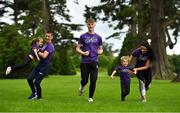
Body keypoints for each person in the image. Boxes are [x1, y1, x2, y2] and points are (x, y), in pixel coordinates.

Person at [76, 17, 103, 103]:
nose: (90, 26)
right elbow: (77, 48)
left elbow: (101, 49)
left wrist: (99, 52)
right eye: (89, 24)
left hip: (94, 60)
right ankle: (82, 86)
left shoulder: (98, 37)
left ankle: (90, 97)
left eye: (92, 24)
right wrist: (83, 53)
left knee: (94, 79)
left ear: (94, 25)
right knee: (84, 80)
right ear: (87, 25)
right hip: (84, 61)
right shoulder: (82, 36)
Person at [27, 32, 55, 100]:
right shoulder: (45, 45)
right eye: (46, 36)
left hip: (45, 66)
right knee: (29, 79)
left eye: (48, 36)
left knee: (36, 82)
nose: (47, 38)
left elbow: (44, 56)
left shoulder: (50, 46)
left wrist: (37, 51)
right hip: (40, 65)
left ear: (52, 37)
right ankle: (34, 93)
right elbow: (39, 52)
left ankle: (39, 98)